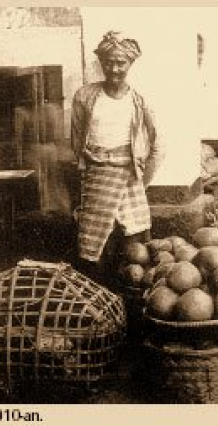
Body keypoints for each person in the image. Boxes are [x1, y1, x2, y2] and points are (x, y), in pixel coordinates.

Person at [71, 31, 163, 278]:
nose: (114, 69)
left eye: (121, 62)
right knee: (95, 248)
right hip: (97, 177)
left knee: (135, 245)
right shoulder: (85, 96)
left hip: (130, 176)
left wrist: (142, 182)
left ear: (131, 64)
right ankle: (100, 300)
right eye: (108, 62)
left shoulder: (139, 100)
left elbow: (158, 144)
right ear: (101, 63)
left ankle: (133, 300)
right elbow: (77, 141)